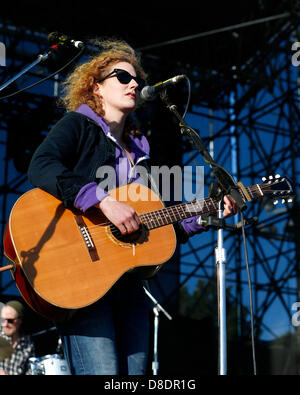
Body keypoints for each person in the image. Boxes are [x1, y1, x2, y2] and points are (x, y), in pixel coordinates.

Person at [27, 38, 237, 375]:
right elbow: (42, 166)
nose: (134, 84)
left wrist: (208, 212)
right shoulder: (78, 125)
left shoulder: (140, 152)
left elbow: (161, 228)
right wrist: (103, 201)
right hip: (84, 275)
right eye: (122, 77)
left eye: (136, 80)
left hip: (130, 284)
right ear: (95, 87)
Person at [0, 300, 35, 375]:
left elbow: (30, 372)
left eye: (10, 320)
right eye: (2, 320)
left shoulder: (28, 344)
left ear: (19, 321)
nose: (5, 324)